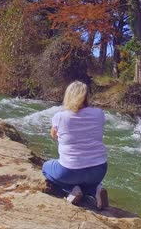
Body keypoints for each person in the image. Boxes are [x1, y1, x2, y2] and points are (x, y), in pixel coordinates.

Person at [42, 81, 109, 209]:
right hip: (99, 169)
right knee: (87, 178)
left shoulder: (60, 116)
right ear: (86, 96)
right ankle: (95, 190)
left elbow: (54, 135)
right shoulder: (99, 113)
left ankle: (72, 189)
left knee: (46, 168)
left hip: (69, 171)